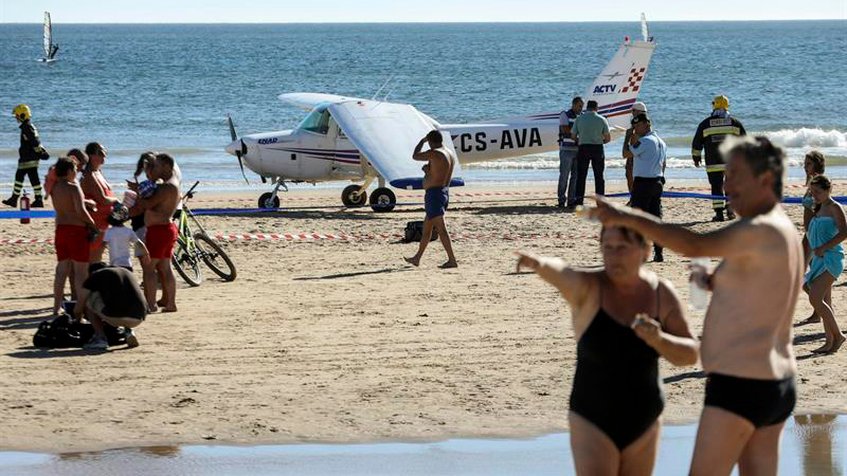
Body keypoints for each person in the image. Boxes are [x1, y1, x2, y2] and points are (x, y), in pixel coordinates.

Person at [588, 136, 801, 475]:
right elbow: (765, 287)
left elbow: (692, 243)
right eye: (726, 175)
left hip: (741, 384)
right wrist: (715, 281)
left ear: (764, 179)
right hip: (776, 385)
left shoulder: (758, 228)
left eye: (735, 175)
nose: (726, 184)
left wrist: (625, 216)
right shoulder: (783, 228)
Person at [516, 226, 698, 475]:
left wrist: (659, 339)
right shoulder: (589, 287)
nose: (613, 256)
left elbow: (689, 355)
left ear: (645, 250)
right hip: (593, 420)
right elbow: (563, 272)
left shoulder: (661, 293)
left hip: (644, 421)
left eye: (622, 248)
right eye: (607, 248)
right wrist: (539, 263)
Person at [802, 175, 846, 354]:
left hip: (831, 259)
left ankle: (838, 335)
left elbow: (844, 232)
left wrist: (825, 247)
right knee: (816, 294)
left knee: (815, 297)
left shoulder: (835, 207)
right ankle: (829, 341)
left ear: (828, 190)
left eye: (818, 192)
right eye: (812, 193)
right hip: (819, 259)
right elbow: (808, 230)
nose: (815, 196)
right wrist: (807, 207)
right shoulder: (818, 208)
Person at [50, 157, 97, 318]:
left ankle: (57, 306)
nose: (77, 172)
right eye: (75, 169)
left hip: (61, 229)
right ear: (69, 171)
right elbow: (80, 211)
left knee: (61, 270)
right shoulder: (73, 187)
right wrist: (92, 224)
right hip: (76, 231)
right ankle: (81, 307)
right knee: (81, 272)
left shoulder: (55, 188)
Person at [404, 130, 458, 269]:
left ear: (430, 141)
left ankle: (452, 260)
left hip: (435, 194)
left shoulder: (435, 153)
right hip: (443, 192)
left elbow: (415, 156)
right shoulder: (448, 152)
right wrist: (428, 172)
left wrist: (421, 141)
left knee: (441, 229)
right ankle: (417, 258)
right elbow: (440, 173)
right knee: (427, 228)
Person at [135, 153, 181, 312]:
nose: (155, 169)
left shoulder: (166, 186)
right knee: (165, 267)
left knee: (149, 268)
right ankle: (170, 303)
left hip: (159, 230)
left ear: (167, 166)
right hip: (165, 229)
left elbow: (148, 204)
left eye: (158, 166)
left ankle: (151, 304)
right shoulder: (171, 182)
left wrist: (137, 193)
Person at [691, 95, 746, 222]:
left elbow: (697, 142)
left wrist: (696, 156)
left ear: (714, 106)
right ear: (727, 107)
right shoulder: (735, 123)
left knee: (716, 186)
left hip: (713, 163)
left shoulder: (705, 124)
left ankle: (719, 213)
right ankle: (730, 210)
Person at [628, 113, 667, 263]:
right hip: (657, 181)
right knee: (655, 218)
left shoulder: (644, 141)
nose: (636, 128)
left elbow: (626, 153)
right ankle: (658, 252)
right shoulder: (661, 142)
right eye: (634, 126)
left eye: (638, 125)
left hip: (643, 183)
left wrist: (628, 138)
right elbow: (663, 164)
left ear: (647, 124)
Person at [82, 266, 145, 350]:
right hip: (139, 317)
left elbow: (79, 304)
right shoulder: (125, 272)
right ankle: (128, 331)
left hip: (116, 316)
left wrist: (78, 318)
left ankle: (100, 338)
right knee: (125, 298)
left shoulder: (96, 275)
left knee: (89, 300)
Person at [798, 150, 827, 326]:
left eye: (808, 163)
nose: (805, 166)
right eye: (804, 163)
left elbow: (824, 206)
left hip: (815, 233)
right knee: (810, 271)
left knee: (801, 273)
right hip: (809, 232)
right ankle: (818, 310)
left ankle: (821, 308)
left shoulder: (819, 183)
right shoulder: (810, 181)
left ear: (817, 164)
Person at [3, 104, 49, 208]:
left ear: (23, 115)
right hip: (30, 158)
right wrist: (41, 151)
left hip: (27, 158)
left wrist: (40, 152)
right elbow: (36, 141)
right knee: (32, 178)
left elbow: (34, 141)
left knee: (21, 177)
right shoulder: (29, 126)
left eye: (17, 115)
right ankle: (37, 200)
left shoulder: (27, 128)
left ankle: (15, 199)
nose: (16, 117)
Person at [81, 142, 119, 263]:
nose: (104, 157)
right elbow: (102, 199)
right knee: (92, 258)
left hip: (104, 221)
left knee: (98, 255)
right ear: (91, 156)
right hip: (94, 223)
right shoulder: (89, 175)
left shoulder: (98, 172)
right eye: (101, 154)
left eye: (105, 154)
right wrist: (117, 200)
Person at [571, 100, 611, 205]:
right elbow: (608, 138)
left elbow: (573, 136)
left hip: (583, 148)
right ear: (596, 108)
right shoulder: (602, 119)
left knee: (581, 176)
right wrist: (600, 140)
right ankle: (600, 201)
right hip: (597, 148)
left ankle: (579, 200)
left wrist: (580, 140)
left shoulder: (579, 119)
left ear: (586, 108)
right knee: (599, 176)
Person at [103, 206, 149, 272]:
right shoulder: (129, 231)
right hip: (127, 264)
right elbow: (139, 243)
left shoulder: (109, 231)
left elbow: (103, 244)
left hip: (115, 264)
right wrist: (146, 253)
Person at [557, 97, 583, 210]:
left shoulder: (582, 116)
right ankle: (561, 199)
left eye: (582, 106)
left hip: (578, 150)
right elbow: (565, 130)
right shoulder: (565, 115)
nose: (580, 108)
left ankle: (571, 200)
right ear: (573, 105)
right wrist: (578, 138)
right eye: (579, 106)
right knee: (564, 176)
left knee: (575, 177)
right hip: (566, 150)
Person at [622, 102, 648, 199]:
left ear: (639, 112)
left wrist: (627, 136)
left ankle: (634, 198)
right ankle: (633, 198)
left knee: (633, 178)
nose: (632, 113)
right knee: (630, 177)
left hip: (635, 155)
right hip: (635, 154)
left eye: (633, 111)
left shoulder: (640, 125)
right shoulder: (641, 124)